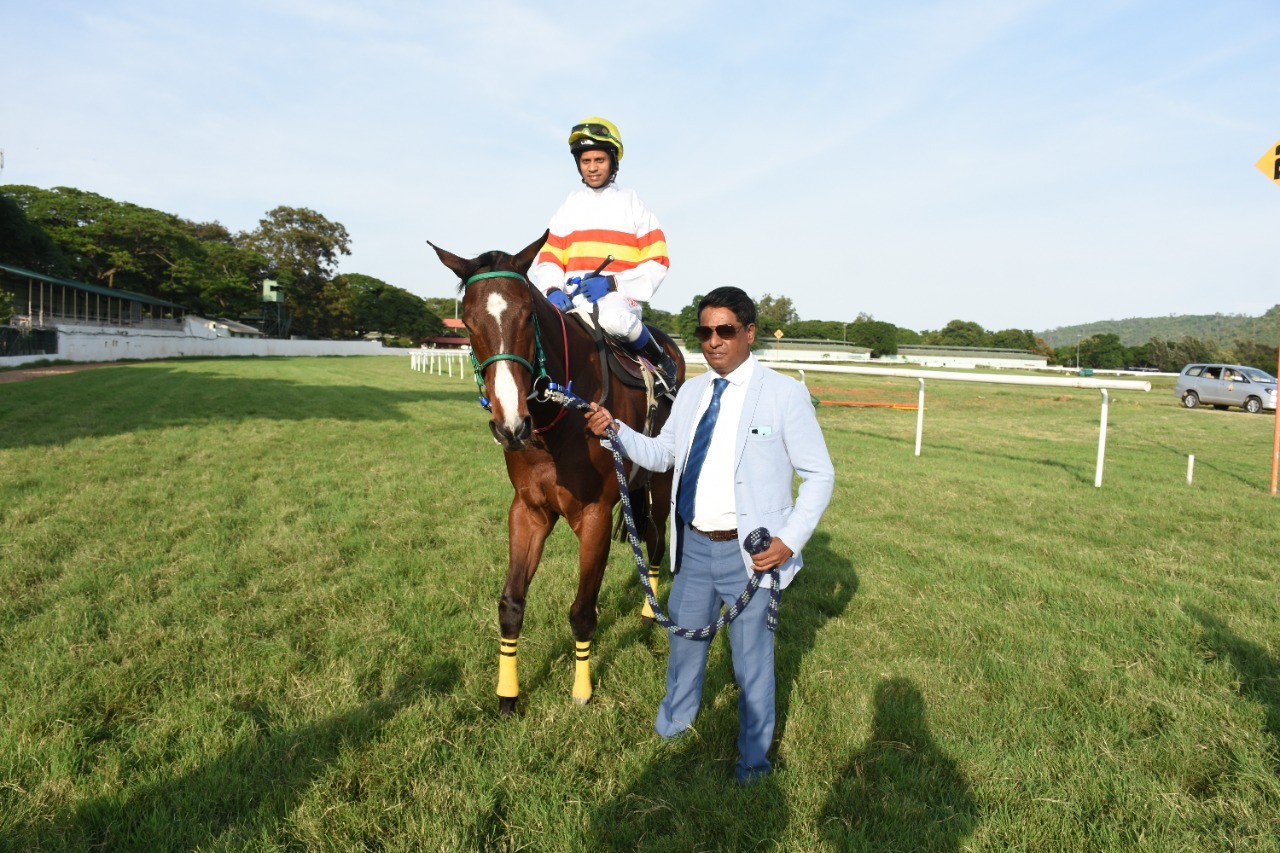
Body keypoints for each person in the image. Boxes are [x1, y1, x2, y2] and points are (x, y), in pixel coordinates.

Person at [585, 286, 835, 784]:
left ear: (749, 333)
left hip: (752, 555)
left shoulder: (784, 394)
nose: (713, 341)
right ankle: (672, 731)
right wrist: (616, 430)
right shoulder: (693, 392)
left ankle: (754, 762)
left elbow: (820, 475)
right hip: (694, 548)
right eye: (704, 331)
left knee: (751, 665)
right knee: (684, 649)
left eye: (725, 330)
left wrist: (788, 541)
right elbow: (663, 455)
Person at [532, 116, 678, 391]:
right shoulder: (568, 207)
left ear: (612, 161)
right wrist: (551, 289)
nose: (592, 168)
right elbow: (549, 258)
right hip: (571, 300)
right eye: (585, 161)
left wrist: (612, 283)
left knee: (614, 321)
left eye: (599, 160)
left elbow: (658, 261)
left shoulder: (632, 204)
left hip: (618, 299)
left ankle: (662, 362)